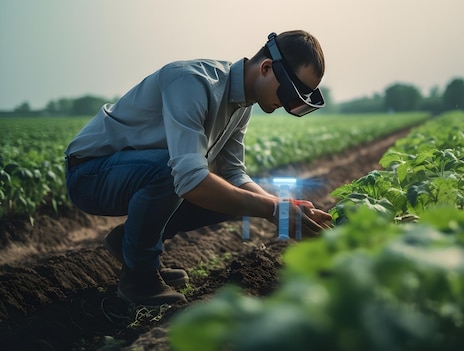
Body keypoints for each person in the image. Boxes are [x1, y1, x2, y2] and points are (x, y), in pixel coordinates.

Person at [64, 30, 332, 306]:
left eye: (299, 100)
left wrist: (282, 208)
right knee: (177, 172)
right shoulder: (192, 82)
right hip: (89, 174)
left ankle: (130, 244)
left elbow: (233, 174)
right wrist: (272, 210)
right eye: (290, 93)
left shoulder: (241, 106)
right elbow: (188, 178)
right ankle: (139, 278)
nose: (289, 105)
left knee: (229, 195)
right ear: (266, 68)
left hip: (134, 174)